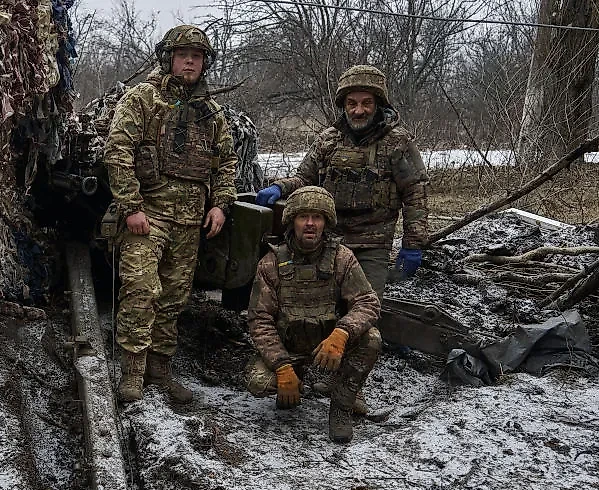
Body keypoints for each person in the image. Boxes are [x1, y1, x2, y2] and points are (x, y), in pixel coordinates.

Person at [255, 65, 428, 413]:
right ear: (344, 105)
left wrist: (414, 243)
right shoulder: (329, 140)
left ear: (378, 103)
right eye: (352, 103)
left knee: (364, 313)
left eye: (366, 103)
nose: (359, 110)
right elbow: (304, 177)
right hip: (329, 242)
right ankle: (318, 368)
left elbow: (416, 191)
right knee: (322, 308)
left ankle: (350, 386)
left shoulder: (398, 143)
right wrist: (280, 187)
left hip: (373, 243)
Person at [103, 25, 238, 404]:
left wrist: (221, 204)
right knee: (141, 290)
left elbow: (226, 162)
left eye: (197, 56)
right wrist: (131, 206)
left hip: (190, 220)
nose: (191, 61)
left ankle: (159, 370)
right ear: (169, 59)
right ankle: (132, 371)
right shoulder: (142, 99)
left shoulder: (210, 113)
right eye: (184, 55)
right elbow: (118, 151)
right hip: (148, 214)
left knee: (175, 298)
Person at [246, 186, 381, 444]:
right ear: (292, 221)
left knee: (372, 339)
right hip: (289, 347)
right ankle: (295, 380)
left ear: (326, 222)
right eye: (303, 217)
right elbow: (259, 320)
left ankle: (342, 405)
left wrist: (343, 333)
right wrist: (281, 366)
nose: (310, 224)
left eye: (317, 217)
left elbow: (367, 302)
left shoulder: (342, 258)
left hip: (328, 346)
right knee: (258, 381)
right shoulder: (271, 263)